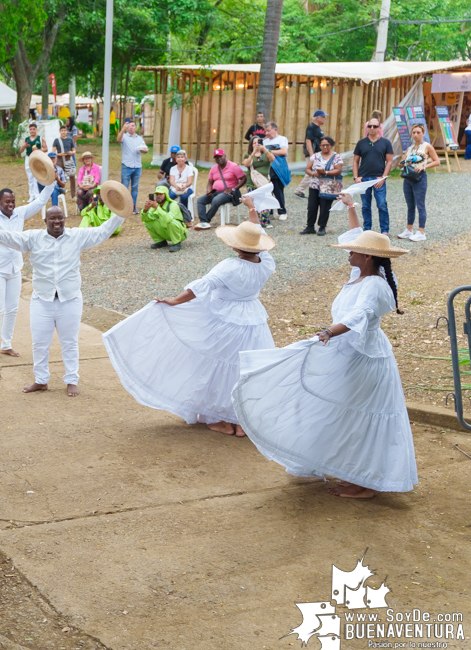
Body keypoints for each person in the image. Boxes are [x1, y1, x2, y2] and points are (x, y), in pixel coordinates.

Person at [234, 193, 416, 499]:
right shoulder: (362, 274)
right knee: (345, 414)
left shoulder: (374, 285)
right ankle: (354, 473)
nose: (349, 254)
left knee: (360, 416)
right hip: (351, 354)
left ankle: (366, 481)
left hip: (365, 359)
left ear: (368, 257)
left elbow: (360, 316)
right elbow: (357, 237)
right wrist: (351, 208)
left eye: (354, 252)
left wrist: (328, 332)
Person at [106, 197, 274, 436]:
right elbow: (256, 234)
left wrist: (174, 301)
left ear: (235, 246)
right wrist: (252, 210)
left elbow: (200, 287)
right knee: (242, 369)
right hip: (253, 321)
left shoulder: (230, 266)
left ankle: (221, 419)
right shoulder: (265, 263)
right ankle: (241, 421)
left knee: (218, 368)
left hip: (226, 320)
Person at [0, 205, 124, 397]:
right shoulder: (34, 237)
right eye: (52, 219)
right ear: (45, 221)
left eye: (60, 218)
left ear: (65, 219)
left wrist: (120, 214)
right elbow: (14, 238)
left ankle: (71, 380)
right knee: (40, 343)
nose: (57, 222)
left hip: (70, 299)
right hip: (42, 299)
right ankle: (41, 380)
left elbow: (101, 232)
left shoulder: (76, 236)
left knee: (69, 342)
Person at [0, 181, 56, 362]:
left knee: (12, 308)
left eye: (12, 201)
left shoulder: (19, 214)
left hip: (14, 267)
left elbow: (40, 201)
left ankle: (6, 345)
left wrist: (51, 182)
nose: (10, 205)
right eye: (6, 202)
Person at [397, 123, 441, 242]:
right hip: (408, 178)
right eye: (414, 133)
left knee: (420, 205)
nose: (416, 135)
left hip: (420, 178)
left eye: (418, 133)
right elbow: (401, 164)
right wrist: (403, 161)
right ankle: (409, 229)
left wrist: (424, 166)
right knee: (410, 205)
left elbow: (437, 161)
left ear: (423, 133)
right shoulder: (409, 148)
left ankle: (421, 231)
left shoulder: (427, 146)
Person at [353, 116, 395, 234]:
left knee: (382, 204)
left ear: (379, 128)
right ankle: (367, 229)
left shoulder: (386, 143)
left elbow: (390, 161)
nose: (372, 128)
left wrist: (383, 177)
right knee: (365, 205)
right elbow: (355, 161)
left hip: (378, 178)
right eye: (369, 126)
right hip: (363, 179)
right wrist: (356, 177)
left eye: (375, 126)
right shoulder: (361, 143)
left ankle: (384, 230)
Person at [300, 135, 343, 236]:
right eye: (323, 145)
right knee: (311, 206)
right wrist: (314, 173)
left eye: (327, 145)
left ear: (331, 145)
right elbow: (308, 169)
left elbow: (338, 170)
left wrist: (326, 172)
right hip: (315, 185)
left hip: (328, 185)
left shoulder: (336, 156)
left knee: (325, 206)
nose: (325, 147)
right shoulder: (315, 156)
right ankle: (310, 226)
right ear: (319, 146)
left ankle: (322, 226)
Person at [194, 149, 245, 229]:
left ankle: (206, 221)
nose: (219, 159)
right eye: (217, 158)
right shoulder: (213, 169)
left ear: (225, 156)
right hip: (215, 192)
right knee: (200, 200)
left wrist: (234, 189)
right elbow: (210, 183)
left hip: (228, 193)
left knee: (216, 200)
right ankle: (203, 221)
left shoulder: (233, 166)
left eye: (220, 157)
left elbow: (244, 179)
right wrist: (209, 190)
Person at [140, 184, 187, 252]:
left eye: (161, 194)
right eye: (157, 194)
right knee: (148, 222)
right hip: (167, 232)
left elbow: (168, 219)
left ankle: (177, 243)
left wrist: (157, 208)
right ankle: (161, 241)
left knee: (171, 222)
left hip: (180, 233)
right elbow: (145, 219)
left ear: (166, 195)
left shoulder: (173, 204)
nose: (158, 196)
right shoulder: (157, 205)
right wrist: (145, 210)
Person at [294, 110, 327, 199]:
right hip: (313, 155)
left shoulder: (317, 128)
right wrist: (312, 156)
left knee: (315, 172)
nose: (325, 119)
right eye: (323, 117)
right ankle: (299, 191)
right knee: (311, 172)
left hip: (317, 154)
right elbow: (308, 141)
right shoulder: (311, 127)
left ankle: (315, 190)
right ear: (317, 117)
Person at [118, 118, 148, 212]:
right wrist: (122, 129)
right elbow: (118, 139)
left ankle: (133, 206)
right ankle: (124, 206)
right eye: (129, 126)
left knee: (135, 187)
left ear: (136, 127)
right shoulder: (125, 137)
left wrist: (144, 151)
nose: (131, 128)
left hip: (137, 166)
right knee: (124, 187)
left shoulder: (140, 139)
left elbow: (146, 149)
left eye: (132, 126)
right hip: (127, 165)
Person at [261, 121, 290, 220]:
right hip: (267, 169)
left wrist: (267, 151)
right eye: (265, 131)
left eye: (269, 131)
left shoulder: (282, 139)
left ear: (275, 130)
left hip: (278, 169)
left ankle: (282, 211)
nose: (267, 133)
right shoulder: (264, 142)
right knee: (268, 191)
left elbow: (284, 151)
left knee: (278, 191)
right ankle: (270, 211)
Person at [166, 149, 195, 219]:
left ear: (185, 159)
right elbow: (171, 181)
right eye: (178, 157)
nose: (180, 159)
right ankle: (171, 213)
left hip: (186, 187)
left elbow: (190, 182)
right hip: (175, 187)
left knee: (184, 197)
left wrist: (185, 186)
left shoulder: (189, 169)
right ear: (176, 159)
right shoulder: (172, 168)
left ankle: (185, 214)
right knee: (170, 196)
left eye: (182, 157)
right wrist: (176, 186)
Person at [53, 124, 77, 200]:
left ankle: (73, 195)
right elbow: (53, 152)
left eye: (65, 130)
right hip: (60, 159)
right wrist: (59, 154)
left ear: (67, 131)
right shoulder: (57, 140)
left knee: (72, 176)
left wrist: (71, 153)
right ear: (60, 131)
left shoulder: (70, 140)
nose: (63, 132)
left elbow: (74, 150)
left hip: (68, 158)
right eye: (62, 130)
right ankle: (59, 193)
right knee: (59, 176)